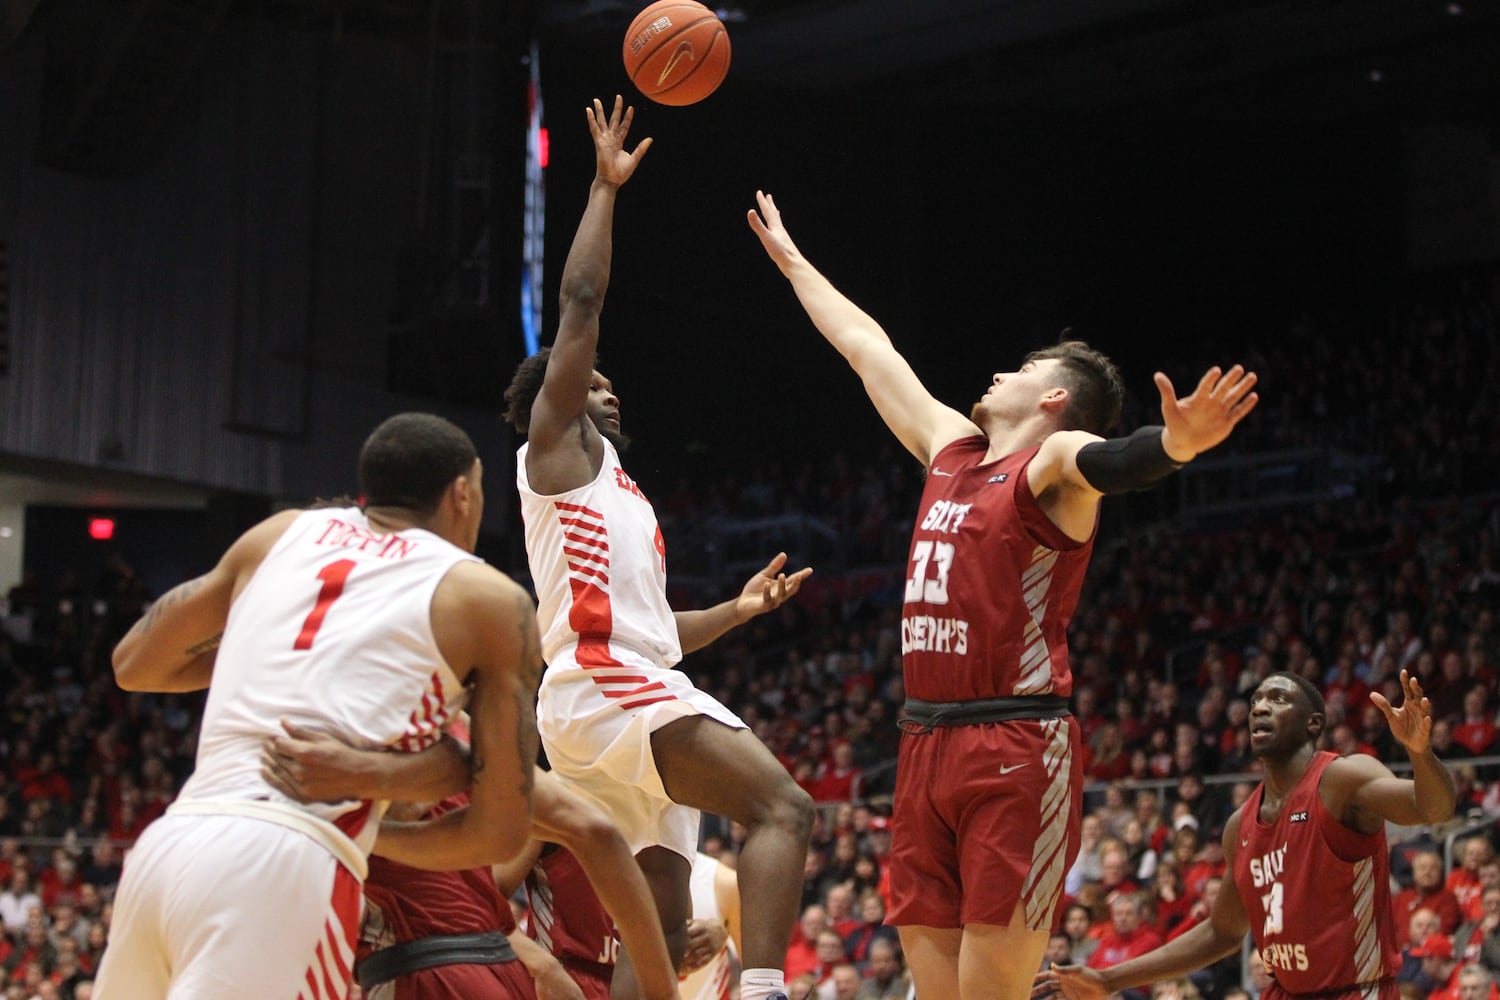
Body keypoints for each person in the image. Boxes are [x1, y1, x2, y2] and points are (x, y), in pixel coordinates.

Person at [748, 190, 1259, 1000]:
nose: (999, 372)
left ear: (1054, 399)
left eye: (1022, 370)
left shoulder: (1053, 464)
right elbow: (865, 347)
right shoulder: (951, 449)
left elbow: (1119, 462)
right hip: (923, 743)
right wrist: (793, 261)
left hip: (1014, 748)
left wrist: (1179, 443)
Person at [502, 98, 814, 1000]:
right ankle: (762, 993)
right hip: (602, 688)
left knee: (663, 933)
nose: (610, 393)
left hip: (604, 689)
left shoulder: (620, 498)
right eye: (591, 382)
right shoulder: (552, 450)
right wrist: (602, 187)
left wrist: (739, 611)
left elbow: (654, 628)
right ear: (551, 402)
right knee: (783, 807)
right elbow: (581, 299)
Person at [93, 412, 544, 999]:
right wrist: (390, 809)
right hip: (287, 865)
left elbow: (135, 664)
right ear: (463, 493)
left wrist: (272, 643)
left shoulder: (279, 534)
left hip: (171, 846)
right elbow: (501, 831)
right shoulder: (489, 599)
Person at [1034, 670, 1457, 1000]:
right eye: (1255, 701)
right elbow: (1222, 931)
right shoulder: (1240, 824)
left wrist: (1419, 753)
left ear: (1313, 724)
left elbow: (1433, 808)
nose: (1260, 708)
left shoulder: (1343, 778)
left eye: (1278, 699)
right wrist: (1108, 980)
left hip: (1357, 990)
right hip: (1282, 991)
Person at [260, 718, 678, 1000]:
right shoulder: (464, 733)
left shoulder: (360, 727)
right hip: (494, 966)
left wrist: (354, 834)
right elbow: (595, 837)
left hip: (424, 970)